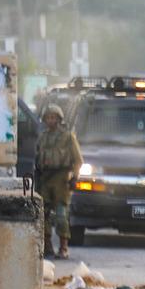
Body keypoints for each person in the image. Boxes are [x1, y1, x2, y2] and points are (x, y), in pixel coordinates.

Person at [34, 105, 83, 259]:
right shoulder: (42, 137)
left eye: (54, 117)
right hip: (45, 180)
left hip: (61, 180)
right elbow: (37, 160)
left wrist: (75, 178)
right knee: (44, 215)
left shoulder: (68, 137)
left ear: (59, 119)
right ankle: (47, 247)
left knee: (61, 216)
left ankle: (63, 248)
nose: (51, 120)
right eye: (48, 117)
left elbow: (78, 160)